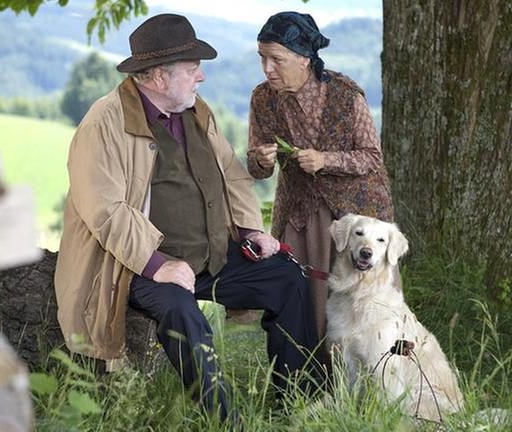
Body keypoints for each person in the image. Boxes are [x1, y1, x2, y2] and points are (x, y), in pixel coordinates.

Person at [54, 13, 319, 421]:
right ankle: (223, 421)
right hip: (136, 267)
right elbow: (105, 210)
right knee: (182, 312)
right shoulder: (104, 122)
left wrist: (251, 229)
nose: (201, 78)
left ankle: (297, 403)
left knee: (286, 279)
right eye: (193, 69)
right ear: (159, 77)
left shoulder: (195, 111)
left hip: (209, 256)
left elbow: (231, 173)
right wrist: (159, 265)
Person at [247, 12, 396, 346]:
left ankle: (372, 382)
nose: (268, 68)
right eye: (262, 58)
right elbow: (258, 169)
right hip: (300, 216)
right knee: (301, 298)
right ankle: (306, 380)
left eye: (276, 59)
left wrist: (325, 160)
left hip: (354, 214)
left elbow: (372, 156)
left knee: (361, 303)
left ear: (304, 58)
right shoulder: (262, 99)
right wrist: (259, 160)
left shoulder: (346, 95)